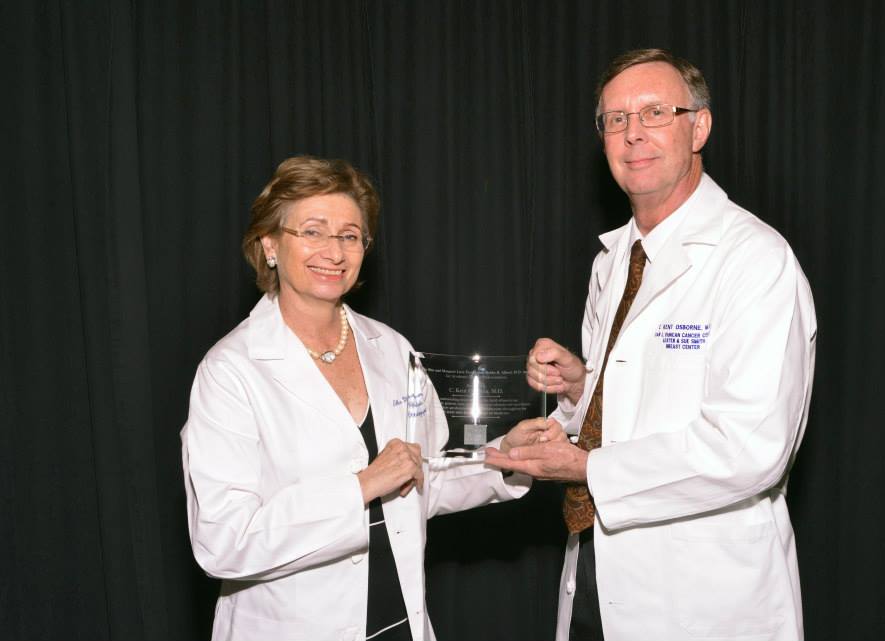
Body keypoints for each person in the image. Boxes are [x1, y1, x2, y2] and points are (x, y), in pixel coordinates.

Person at [485, 49, 817, 641]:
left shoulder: (755, 260)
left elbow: (751, 448)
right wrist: (580, 386)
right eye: (615, 119)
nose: (632, 133)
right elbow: (635, 405)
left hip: (701, 600)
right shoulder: (611, 263)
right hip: (595, 577)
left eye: (655, 112)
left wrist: (587, 466)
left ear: (700, 126)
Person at [181, 156, 558, 641]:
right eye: (313, 231)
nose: (334, 251)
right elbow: (222, 543)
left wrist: (505, 458)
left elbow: (427, 479)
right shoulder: (230, 370)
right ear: (269, 244)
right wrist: (361, 486)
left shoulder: (392, 348)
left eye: (350, 235)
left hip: (399, 625)